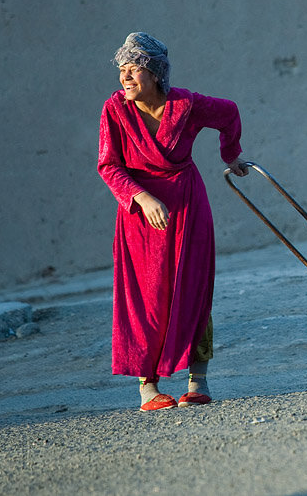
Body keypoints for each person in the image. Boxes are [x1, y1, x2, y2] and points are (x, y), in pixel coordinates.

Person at [98, 32, 249, 411]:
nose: (125, 78)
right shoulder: (114, 109)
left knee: (193, 291)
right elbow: (109, 165)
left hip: (187, 209)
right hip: (139, 218)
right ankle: (148, 385)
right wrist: (142, 197)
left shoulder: (187, 104)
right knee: (145, 297)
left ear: (154, 73)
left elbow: (229, 113)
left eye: (133, 70)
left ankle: (198, 379)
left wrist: (230, 155)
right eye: (122, 70)